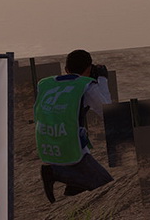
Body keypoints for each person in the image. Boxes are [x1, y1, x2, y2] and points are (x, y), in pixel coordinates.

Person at [35, 49, 115, 202]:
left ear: (66, 69)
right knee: (105, 183)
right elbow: (108, 112)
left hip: (48, 146)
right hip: (71, 149)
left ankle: (73, 187)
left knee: (85, 176)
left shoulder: (46, 84)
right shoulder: (85, 86)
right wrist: (102, 79)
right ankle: (55, 172)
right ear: (89, 69)